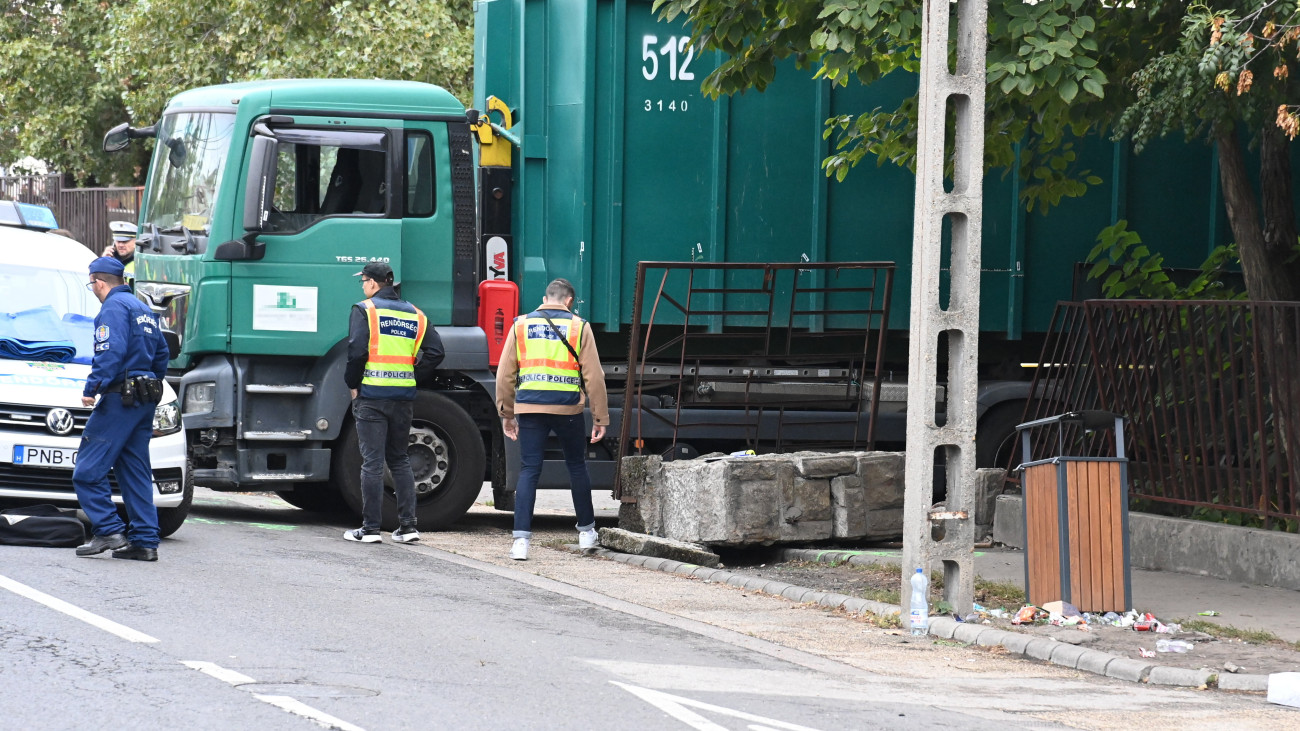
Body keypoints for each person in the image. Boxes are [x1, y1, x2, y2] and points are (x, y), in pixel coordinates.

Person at [496, 278, 609, 560]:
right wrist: (600, 417)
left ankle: (521, 542)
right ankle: (586, 533)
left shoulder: (520, 325)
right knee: (576, 467)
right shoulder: (579, 326)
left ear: (546, 298)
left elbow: (505, 373)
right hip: (568, 408)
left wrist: (506, 413)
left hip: (530, 407)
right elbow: (594, 377)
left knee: (529, 470)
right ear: (569, 301)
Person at [72, 256, 170, 561]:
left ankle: (108, 530)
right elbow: (162, 353)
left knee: (86, 472)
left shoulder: (112, 309)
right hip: (143, 398)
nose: (93, 289)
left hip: (119, 398)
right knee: (134, 470)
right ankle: (144, 541)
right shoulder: (143, 309)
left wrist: (93, 389)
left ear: (98, 282)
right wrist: (148, 382)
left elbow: (109, 351)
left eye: (92, 285)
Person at [342, 262, 444, 544]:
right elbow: (436, 352)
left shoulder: (365, 310)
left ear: (374, 283)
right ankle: (408, 527)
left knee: (372, 463)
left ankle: (371, 528)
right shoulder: (416, 314)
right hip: (403, 397)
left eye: (363, 281)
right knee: (399, 459)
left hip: (372, 397)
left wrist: (353, 383)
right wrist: (412, 375)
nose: (362, 286)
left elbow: (356, 351)